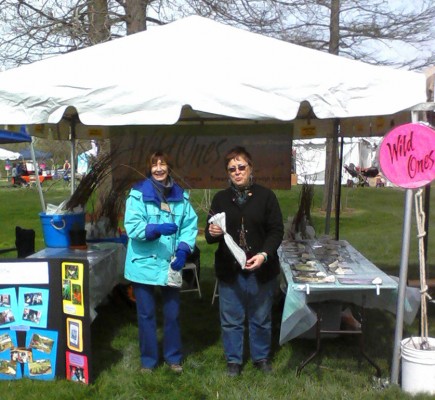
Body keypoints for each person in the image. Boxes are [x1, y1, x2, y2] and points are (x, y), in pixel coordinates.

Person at [205, 146, 284, 377]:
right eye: (232, 169)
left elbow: (276, 231)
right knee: (231, 318)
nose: (237, 172)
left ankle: (261, 357)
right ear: (228, 173)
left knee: (261, 316)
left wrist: (263, 255)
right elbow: (209, 236)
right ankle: (233, 360)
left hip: (261, 268)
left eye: (241, 167)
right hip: (230, 270)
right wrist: (213, 231)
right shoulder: (220, 199)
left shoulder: (266, 196)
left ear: (250, 168)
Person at [124, 150, 198, 374]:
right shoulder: (137, 195)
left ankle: (173, 358)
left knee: (172, 313)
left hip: (170, 263)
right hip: (142, 263)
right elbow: (133, 227)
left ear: (169, 167)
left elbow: (189, 227)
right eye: (154, 164)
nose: (158, 168)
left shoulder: (181, 197)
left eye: (163, 164)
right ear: (149, 168)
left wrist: (184, 251)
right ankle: (148, 361)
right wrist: (155, 229)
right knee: (146, 314)